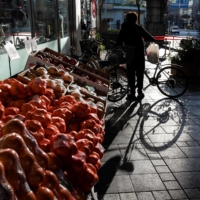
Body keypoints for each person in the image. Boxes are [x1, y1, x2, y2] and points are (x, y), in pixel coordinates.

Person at [116, 12, 155, 100]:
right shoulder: (139, 28)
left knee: (131, 73)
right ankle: (140, 93)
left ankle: (132, 93)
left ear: (127, 19)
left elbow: (118, 42)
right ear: (136, 19)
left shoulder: (124, 28)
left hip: (129, 54)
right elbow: (150, 38)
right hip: (139, 54)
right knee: (140, 73)